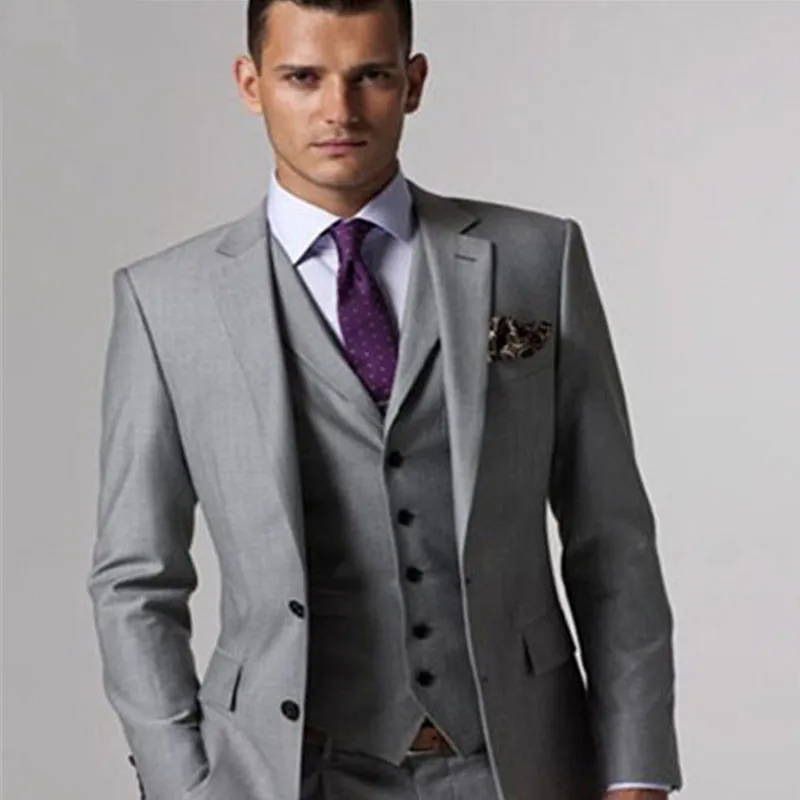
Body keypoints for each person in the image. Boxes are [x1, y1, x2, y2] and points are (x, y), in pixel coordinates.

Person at [86, 1, 683, 798]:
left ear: (414, 82)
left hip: (516, 763)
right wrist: (180, 781)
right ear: (251, 84)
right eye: (303, 77)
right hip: (279, 772)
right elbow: (135, 578)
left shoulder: (538, 260)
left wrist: (636, 768)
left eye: (369, 75)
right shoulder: (167, 301)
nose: (339, 110)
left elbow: (612, 536)